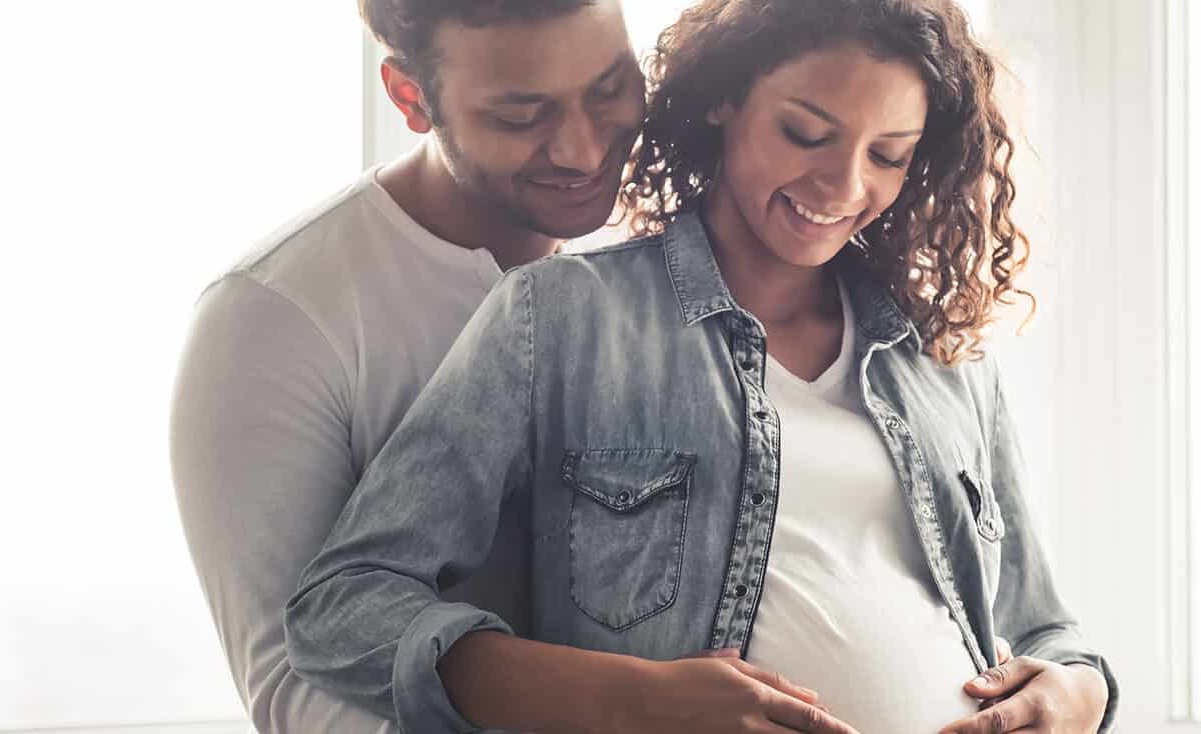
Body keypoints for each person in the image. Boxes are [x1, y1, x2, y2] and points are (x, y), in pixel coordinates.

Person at [285, 0, 1119, 732]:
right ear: (726, 98)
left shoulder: (941, 355)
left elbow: (1045, 630)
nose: (843, 183)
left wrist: (1080, 693)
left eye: (889, 154)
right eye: (806, 133)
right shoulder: (563, 320)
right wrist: (631, 700)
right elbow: (342, 610)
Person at [168, 1, 645, 732]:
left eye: (611, 90)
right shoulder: (274, 318)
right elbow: (295, 692)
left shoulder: (670, 260)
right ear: (410, 98)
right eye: (521, 118)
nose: (583, 152)